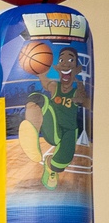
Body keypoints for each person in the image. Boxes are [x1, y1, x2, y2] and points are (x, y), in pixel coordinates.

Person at [18, 46, 90, 190]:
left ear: (77, 68)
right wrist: (37, 66)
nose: (65, 63)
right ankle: (32, 134)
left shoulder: (78, 91)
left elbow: (88, 104)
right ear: (57, 67)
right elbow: (43, 78)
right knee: (37, 98)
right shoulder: (54, 86)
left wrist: (83, 99)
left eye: (70, 60)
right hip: (53, 126)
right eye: (62, 59)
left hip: (68, 132)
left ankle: (50, 165)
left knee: (61, 163)